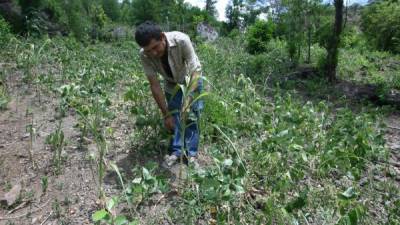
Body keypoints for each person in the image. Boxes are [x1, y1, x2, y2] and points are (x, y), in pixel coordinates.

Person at [134, 21, 204, 167]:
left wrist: (188, 101)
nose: (153, 53)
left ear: (162, 37)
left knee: (191, 116)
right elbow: (155, 85)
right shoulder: (144, 55)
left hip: (191, 80)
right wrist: (165, 114)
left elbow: (195, 71)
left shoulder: (181, 40)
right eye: (148, 50)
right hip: (171, 84)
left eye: (155, 47)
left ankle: (191, 154)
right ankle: (176, 151)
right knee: (174, 118)